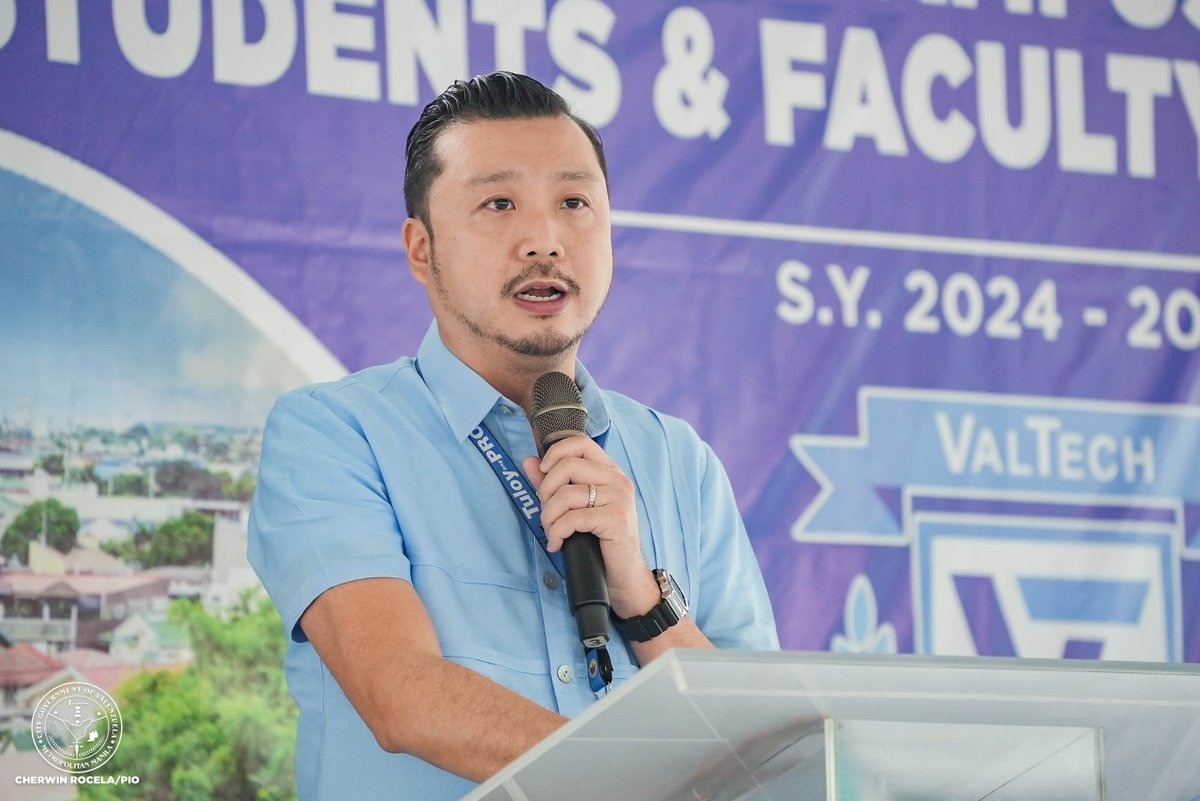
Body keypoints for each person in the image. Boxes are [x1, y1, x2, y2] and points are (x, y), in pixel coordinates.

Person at [248, 71, 778, 801]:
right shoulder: (335, 434)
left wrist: (644, 600)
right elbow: (399, 693)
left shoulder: (680, 460)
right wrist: (631, 783)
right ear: (420, 249)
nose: (544, 240)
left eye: (574, 203)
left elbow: (766, 743)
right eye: (498, 203)